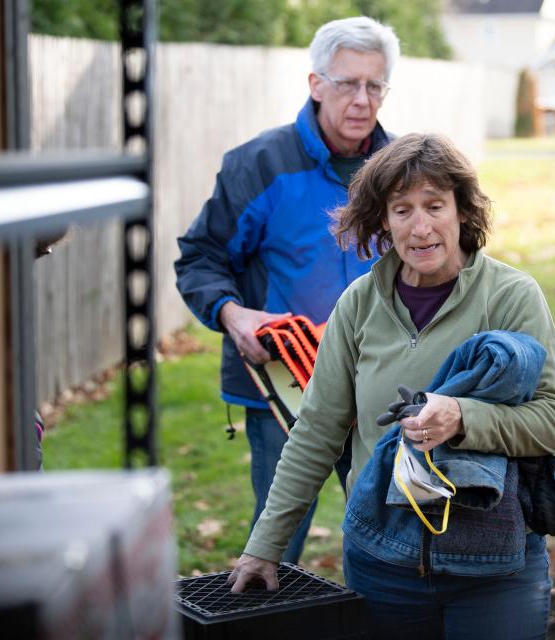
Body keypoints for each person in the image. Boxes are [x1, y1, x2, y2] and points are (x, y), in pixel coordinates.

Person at [228, 133, 555, 639]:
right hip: (381, 561)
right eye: (402, 210)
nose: (420, 227)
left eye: (435, 205)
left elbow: (553, 421)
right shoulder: (358, 304)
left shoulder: (510, 296)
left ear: (462, 211)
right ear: (382, 220)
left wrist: (462, 419)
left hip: (495, 566)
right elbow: (316, 431)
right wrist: (265, 546)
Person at [174, 16, 400, 565]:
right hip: (282, 388)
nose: (362, 99)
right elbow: (201, 258)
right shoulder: (259, 165)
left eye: (375, 85)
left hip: (380, 385)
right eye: (348, 83)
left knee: (389, 535)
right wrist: (234, 316)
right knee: (275, 542)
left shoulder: (402, 169)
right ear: (316, 83)